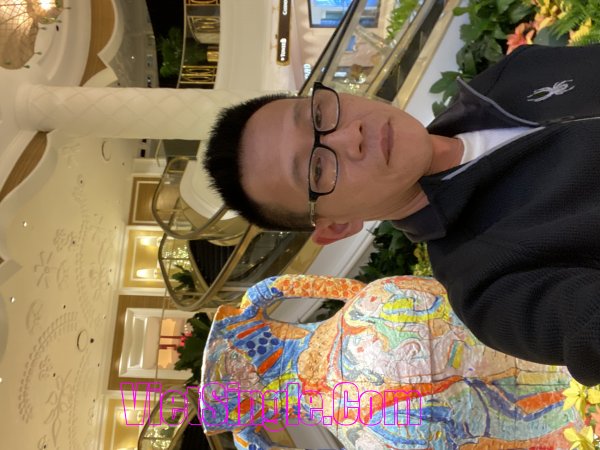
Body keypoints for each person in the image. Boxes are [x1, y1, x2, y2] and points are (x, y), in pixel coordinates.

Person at [203, 43, 600, 386]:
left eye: (319, 116)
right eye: (317, 169)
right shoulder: (490, 285)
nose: (350, 135)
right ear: (337, 226)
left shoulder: (508, 79)